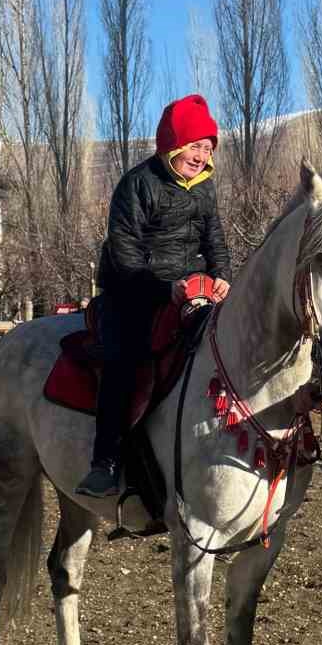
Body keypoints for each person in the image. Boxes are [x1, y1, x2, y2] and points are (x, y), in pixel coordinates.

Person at [76, 94, 232, 498]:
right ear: (173, 145)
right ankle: (105, 462)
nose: (201, 156)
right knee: (123, 360)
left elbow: (214, 238)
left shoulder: (205, 187)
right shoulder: (137, 184)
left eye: (208, 148)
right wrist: (164, 288)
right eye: (195, 146)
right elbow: (124, 251)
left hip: (191, 289)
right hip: (133, 291)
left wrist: (222, 275)